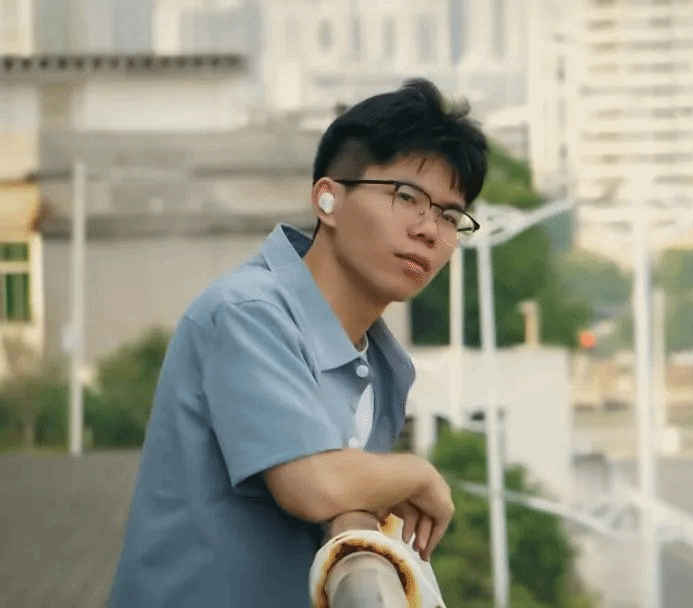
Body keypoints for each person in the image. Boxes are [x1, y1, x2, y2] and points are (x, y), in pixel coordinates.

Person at [108, 78, 488, 607]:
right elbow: (314, 484)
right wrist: (417, 474)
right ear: (328, 199)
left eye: (449, 215)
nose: (430, 230)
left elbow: (345, 501)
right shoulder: (249, 314)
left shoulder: (381, 362)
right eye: (407, 197)